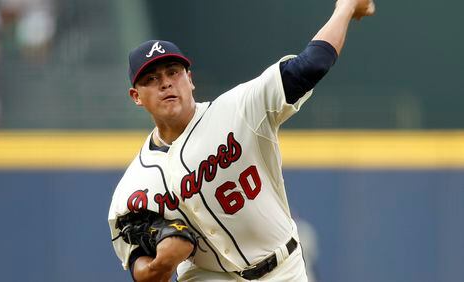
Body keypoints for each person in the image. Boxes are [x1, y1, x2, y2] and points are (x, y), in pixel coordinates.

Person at [108, 0, 375, 281]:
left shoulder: (239, 109)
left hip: (282, 268)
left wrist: (344, 8)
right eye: (151, 78)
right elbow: (141, 269)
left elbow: (312, 65)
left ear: (190, 79)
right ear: (136, 96)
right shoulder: (133, 189)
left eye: (173, 72)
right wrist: (157, 267)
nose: (165, 83)